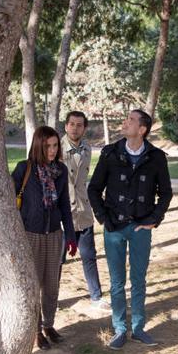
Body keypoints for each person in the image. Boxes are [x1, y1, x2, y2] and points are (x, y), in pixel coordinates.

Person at [88, 109, 172, 350]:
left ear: (142, 129)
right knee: (116, 282)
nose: (125, 122)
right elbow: (94, 189)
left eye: (131, 120)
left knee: (138, 280)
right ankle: (119, 329)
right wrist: (104, 218)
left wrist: (154, 218)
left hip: (140, 229)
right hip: (114, 227)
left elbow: (165, 193)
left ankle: (138, 328)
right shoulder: (110, 153)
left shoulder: (156, 157)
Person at [12, 126, 78, 350]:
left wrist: (70, 236)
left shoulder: (60, 170)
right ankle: (36, 330)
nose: (52, 150)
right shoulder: (24, 169)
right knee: (33, 286)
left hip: (54, 236)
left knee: (51, 285)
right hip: (30, 236)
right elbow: (9, 201)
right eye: (48, 145)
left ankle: (49, 325)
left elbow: (64, 207)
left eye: (55, 145)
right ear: (38, 145)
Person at [60, 111, 110, 311]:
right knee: (56, 260)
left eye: (79, 125)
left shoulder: (87, 149)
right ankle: (48, 300)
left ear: (84, 128)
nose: (75, 128)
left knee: (89, 256)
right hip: (62, 214)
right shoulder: (54, 147)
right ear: (66, 126)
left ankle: (96, 297)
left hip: (83, 212)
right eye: (72, 124)